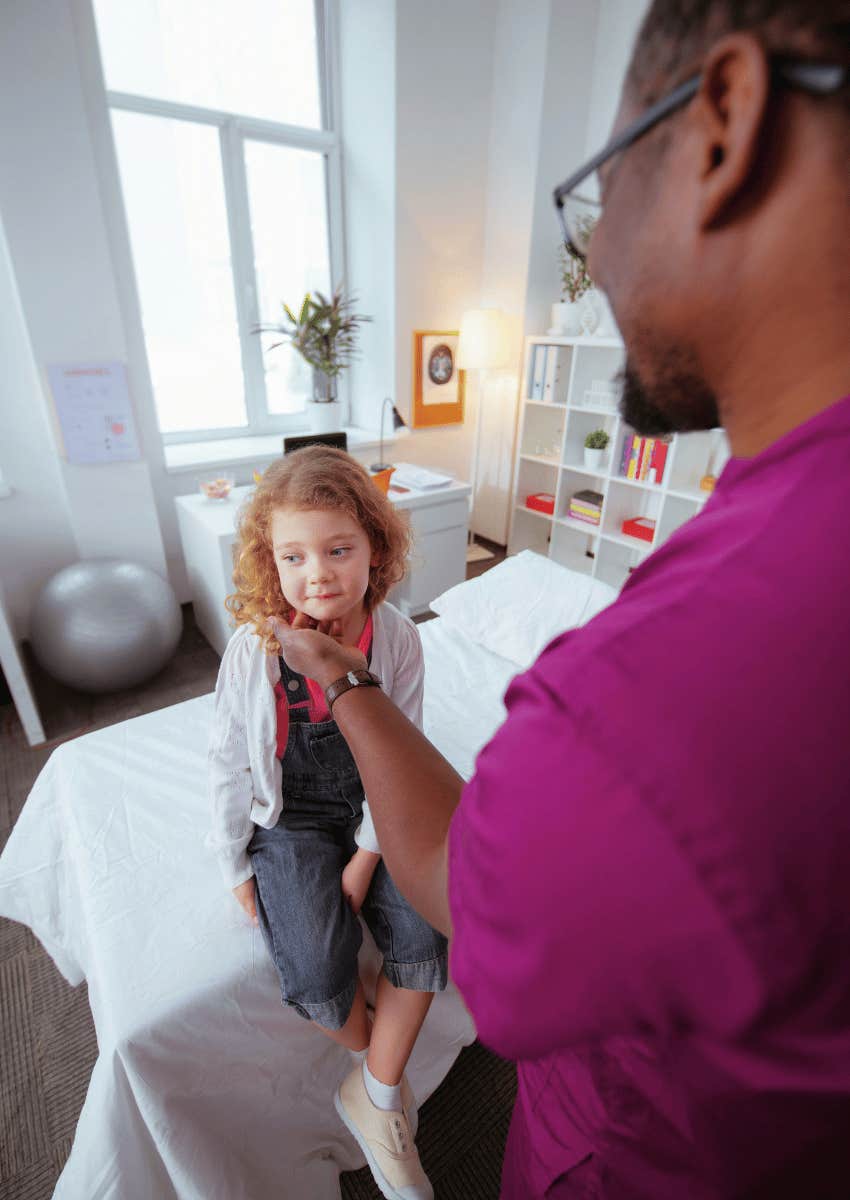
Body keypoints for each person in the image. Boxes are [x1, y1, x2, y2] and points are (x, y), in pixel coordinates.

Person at [273, 1, 850, 1197]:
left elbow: (472, 895)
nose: (590, 265)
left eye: (591, 199)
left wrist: (349, 682)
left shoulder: (685, 667)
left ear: (723, 125)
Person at [207, 446, 447, 1200]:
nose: (317, 574)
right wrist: (235, 864)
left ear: (375, 550)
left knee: (427, 930)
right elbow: (227, 763)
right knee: (312, 967)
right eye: (294, 556)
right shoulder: (254, 651)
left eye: (338, 550)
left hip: (378, 805)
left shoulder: (399, 641)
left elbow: (398, 762)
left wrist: (364, 861)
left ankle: (372, 1097)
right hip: (291, 819)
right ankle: (384, 1060)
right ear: (268, 562)